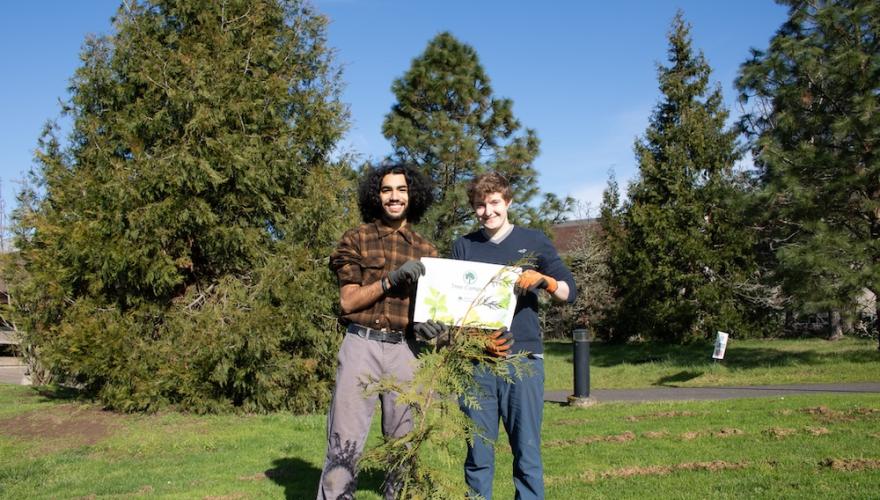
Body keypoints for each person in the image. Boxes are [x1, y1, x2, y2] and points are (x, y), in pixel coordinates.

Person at [452, 172, 576, 500]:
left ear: (508, 202)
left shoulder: (534, 241)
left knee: (527, 453)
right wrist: (474, 342)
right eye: (480, 205)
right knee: (478, 455)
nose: (488, 211)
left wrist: (544, 280)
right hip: (476, 363)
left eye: (494, 202)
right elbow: (454, 308)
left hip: (524, 361)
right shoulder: (463, 246)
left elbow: (568, 291)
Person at [317, 162, 438, 499]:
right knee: (345, 442)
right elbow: (348, 302)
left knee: (402, 445)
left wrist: (431, 328)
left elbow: (429, 313)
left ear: (413, 196)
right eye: (387, 190)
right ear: (376, 195)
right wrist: (390, 279)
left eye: (401, 189)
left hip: (405, 351)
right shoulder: (356, 239)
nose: (394, 196)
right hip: (361, 346)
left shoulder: (428, 251)